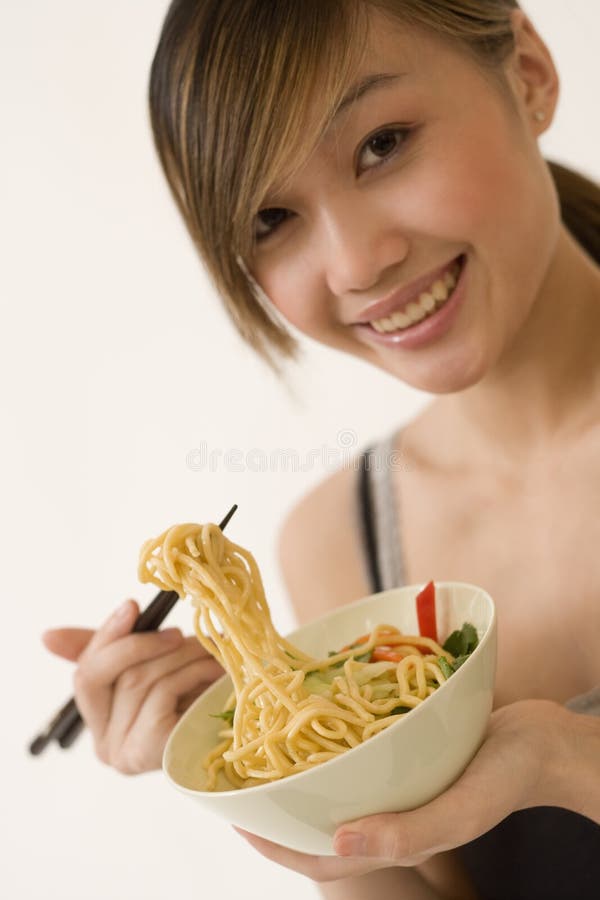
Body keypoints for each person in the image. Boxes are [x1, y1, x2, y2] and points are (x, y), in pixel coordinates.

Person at [43, 1, 600, 897]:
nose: (354, 264)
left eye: (383, 143)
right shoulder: (344, 538)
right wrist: (275, 770)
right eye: (271, 218)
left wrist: (564, 764)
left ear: (529, 72)